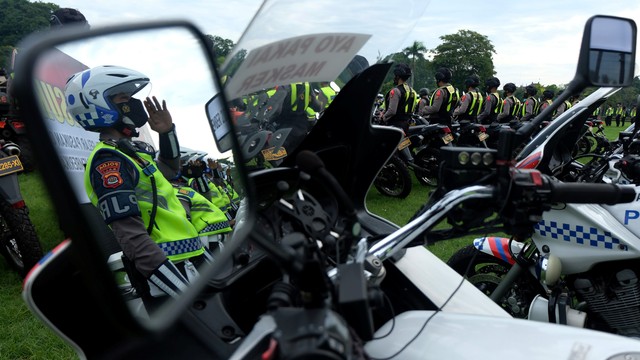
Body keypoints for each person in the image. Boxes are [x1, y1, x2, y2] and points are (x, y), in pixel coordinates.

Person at [64, 65, 210, 305]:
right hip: (167, 277)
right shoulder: (108, 161)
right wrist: (183, 292)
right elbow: (131, 238)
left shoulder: (130, 153)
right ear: (100, 105)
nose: (133, 103)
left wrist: (167, 132)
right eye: (124, 98)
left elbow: (170, 170)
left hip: (190, 261)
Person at [382, 63, 417, 133]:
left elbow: (392, 111)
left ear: (398, 76)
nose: (394, 78)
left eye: (395, 76)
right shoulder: (413, 91)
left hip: (395, 126)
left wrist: (383, 117)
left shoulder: (396, 91)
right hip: (407, 125)